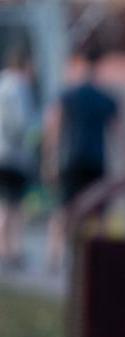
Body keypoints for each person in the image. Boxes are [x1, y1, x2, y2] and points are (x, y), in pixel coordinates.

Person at [43, 42, 125, 270]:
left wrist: (50, 159)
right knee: (98, 211)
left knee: (63, 210)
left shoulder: (69, 94)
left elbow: (54, 126)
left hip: (71, 159)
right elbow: (121, 133)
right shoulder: (106, 98)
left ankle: (55, 256)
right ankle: (96, 259)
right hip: (96, 160)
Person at [0, 46, 36, 269]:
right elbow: (23, 123)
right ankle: (13, 250)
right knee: (15, 206)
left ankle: (2, 248)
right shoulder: (20, 88)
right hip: (15, 155)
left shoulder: (2, 84)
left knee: (3, 203)